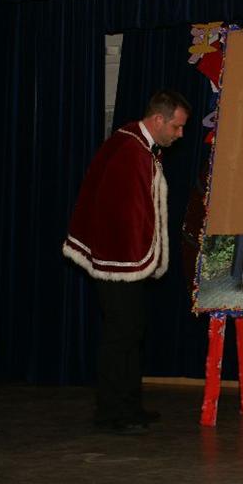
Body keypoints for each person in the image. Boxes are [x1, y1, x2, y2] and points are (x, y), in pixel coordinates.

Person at [63, 90, 191, 435]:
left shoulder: (134, 145)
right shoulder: (130, 150)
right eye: (177, 127)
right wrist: (134, 256)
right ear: (159, 119)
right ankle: (111, 411)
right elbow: (127, 212)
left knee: (132, 330)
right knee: (120, 335)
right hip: (117, 260)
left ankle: (130, 405)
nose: (180, 134)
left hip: (122, 258)